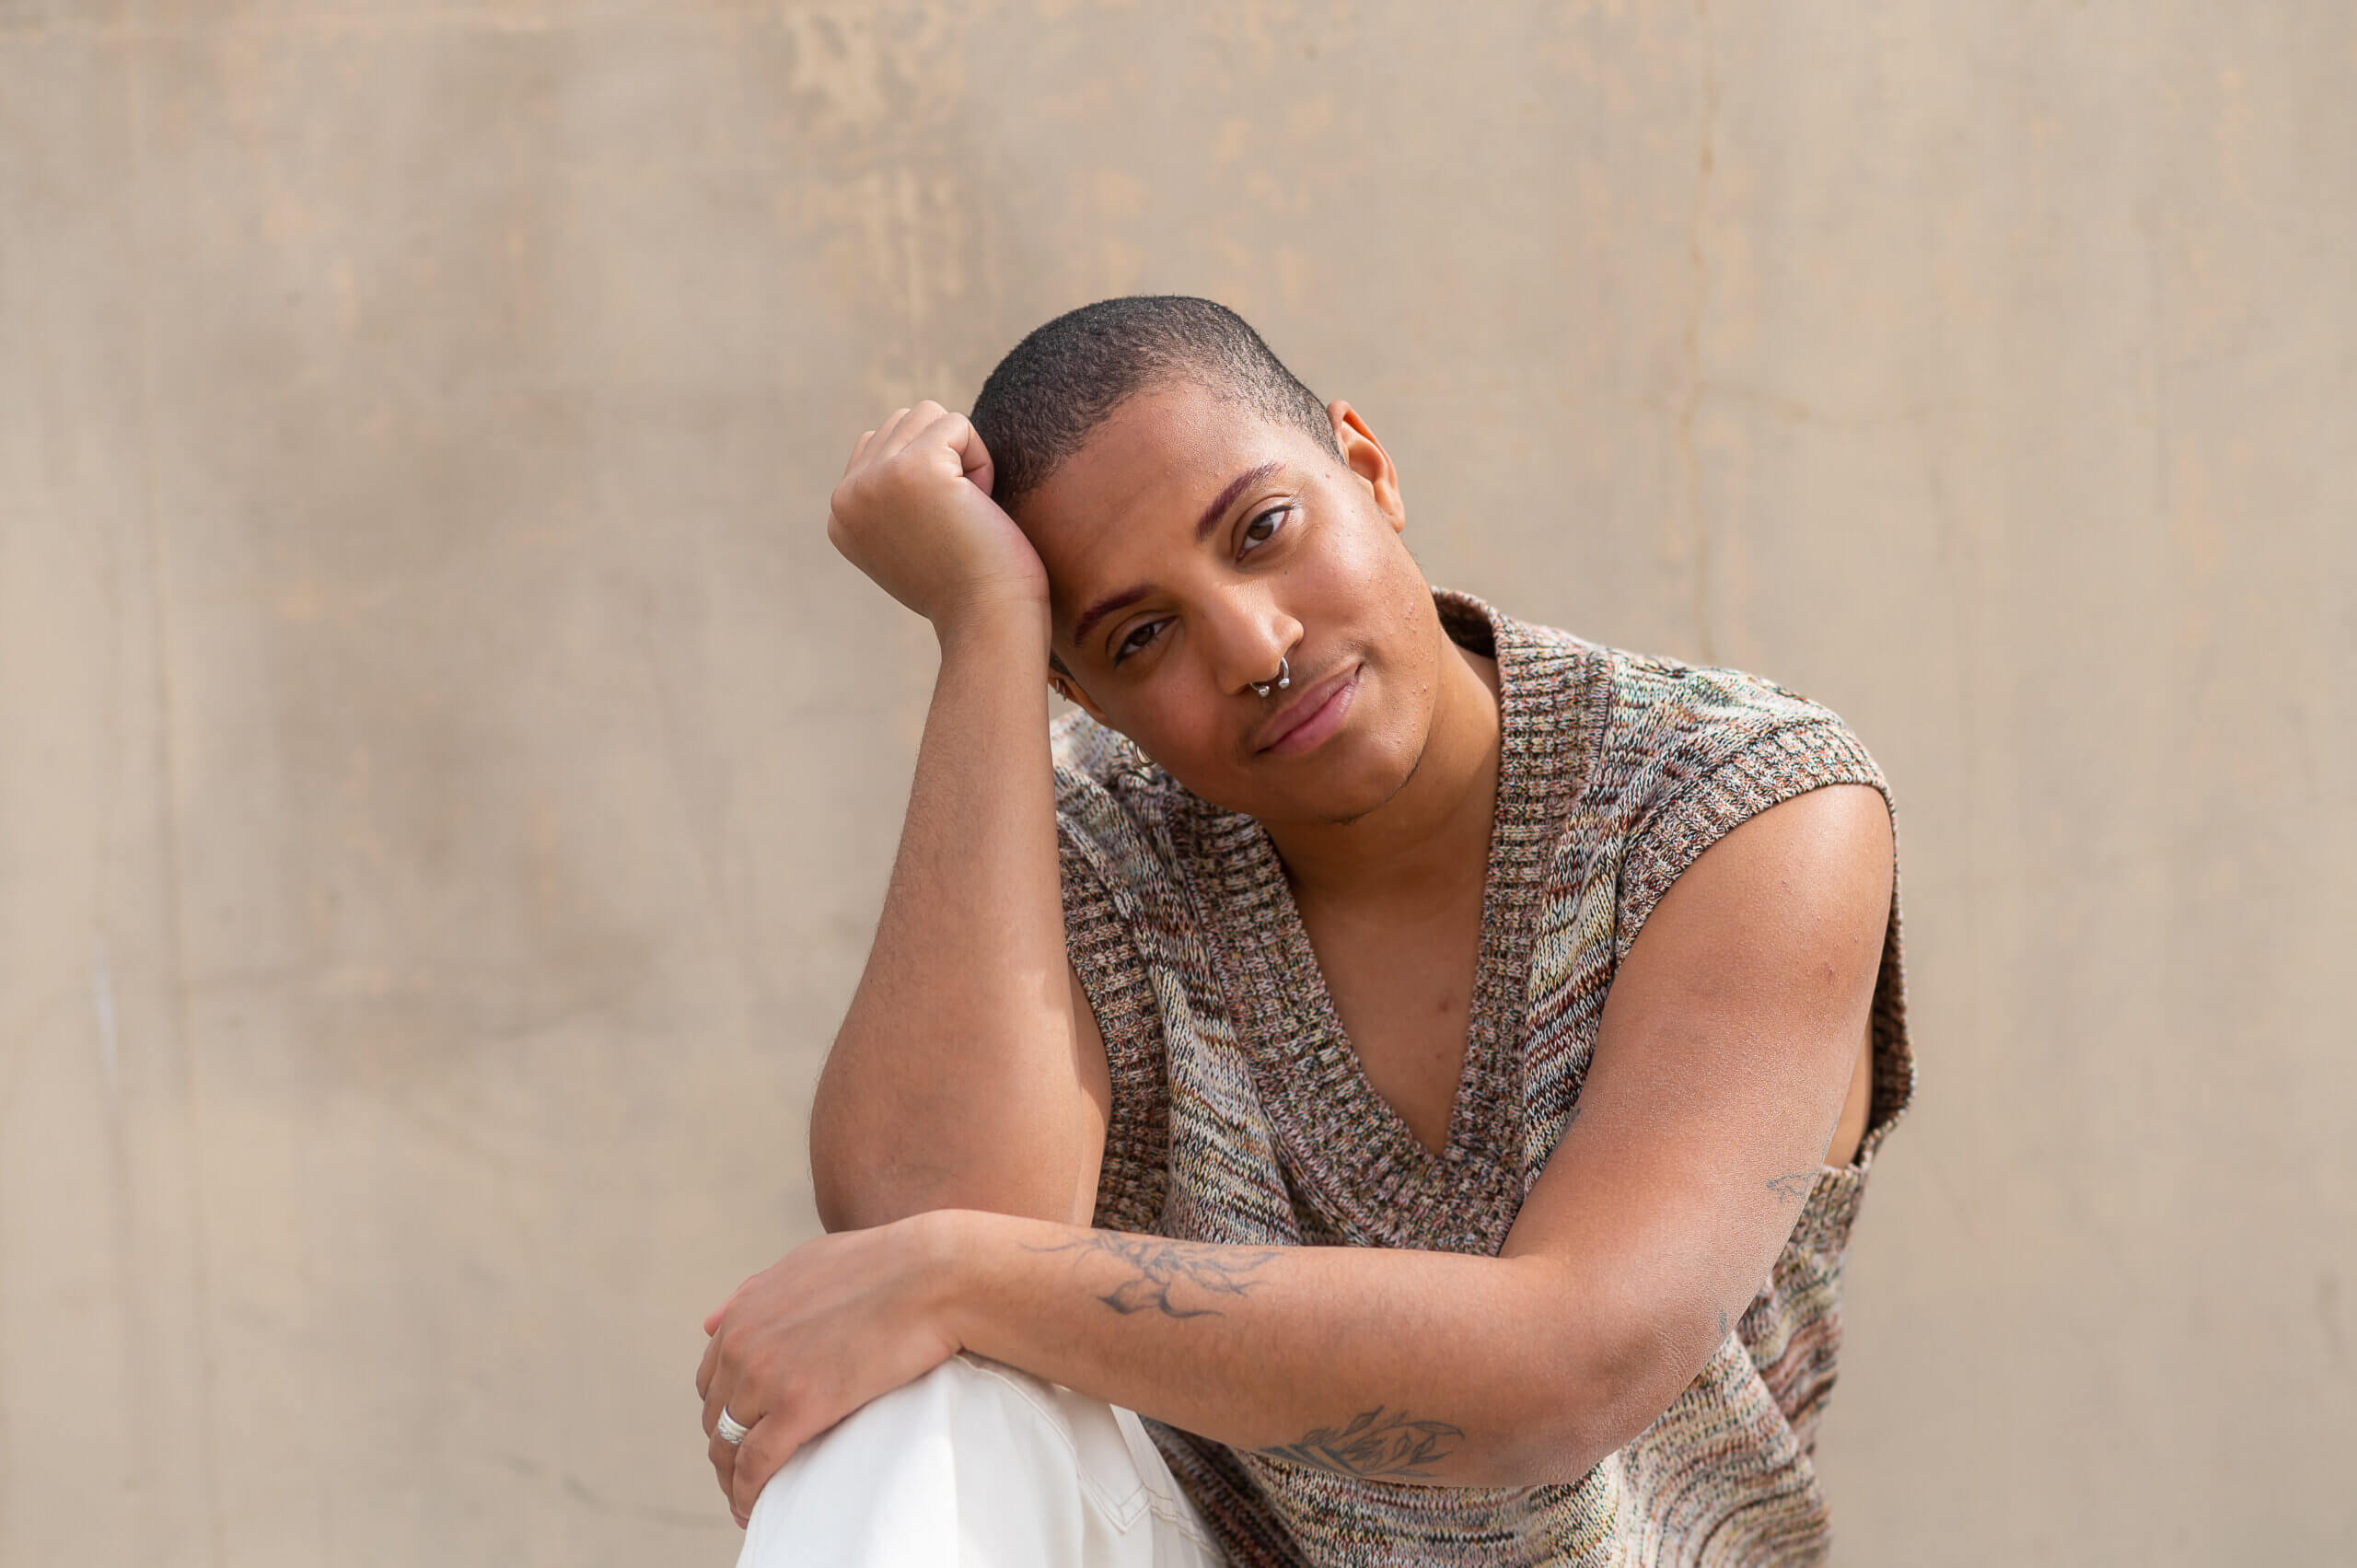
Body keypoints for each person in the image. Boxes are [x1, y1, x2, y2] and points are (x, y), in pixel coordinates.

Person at [694, 296, 1915, 1566]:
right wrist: (984, 628)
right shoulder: (1103, 848)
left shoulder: (1734, 803)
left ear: (1368, 469)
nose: (1255, 644)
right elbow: (915, 1225)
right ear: (1080, 691)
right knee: (929, 1402)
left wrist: (952, 1274)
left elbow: (1577, 1363)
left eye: (1263, 530)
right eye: (1138, 635)